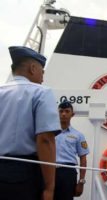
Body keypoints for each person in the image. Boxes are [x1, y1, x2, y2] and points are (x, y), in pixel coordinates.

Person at [0, 46, 61, 200]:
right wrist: (49, 187)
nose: (43, 77)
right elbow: (45, 139)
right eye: (42, 71)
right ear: (33, 68)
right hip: (23, 174)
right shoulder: (41, 92)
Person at [54, 101, 89, 200]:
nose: (63, 114)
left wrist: (81, 182)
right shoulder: (49, 133)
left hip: (67, 172)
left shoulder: (78, 135)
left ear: (72, 114)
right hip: (49, 170)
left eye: (67, 111)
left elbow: (83, 159)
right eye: (61, 111)